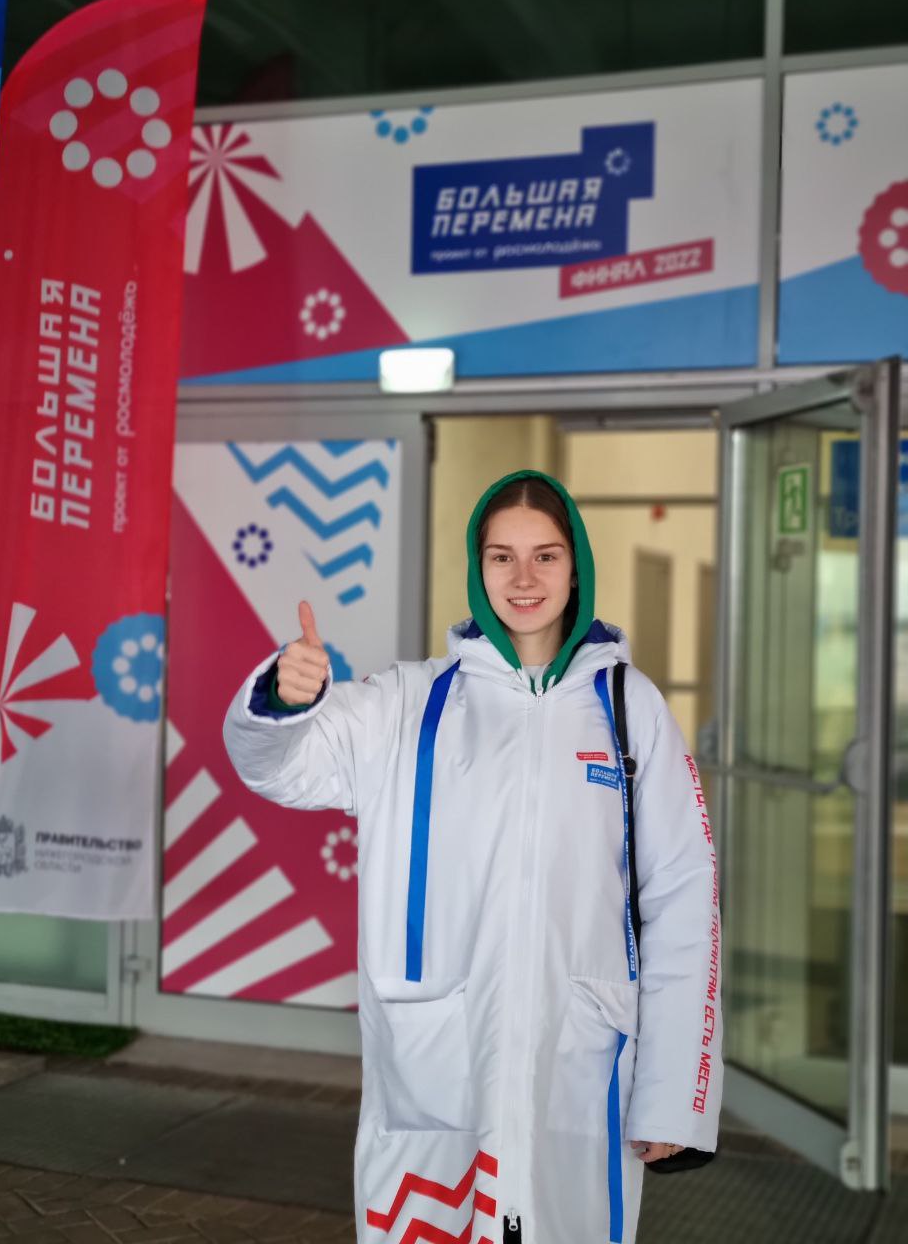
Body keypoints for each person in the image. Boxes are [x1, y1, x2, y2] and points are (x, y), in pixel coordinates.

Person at [223, 469, 722, 1244]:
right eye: (501, 557)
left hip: (578, 1059)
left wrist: (671, 1096)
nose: (524, 578)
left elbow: (683, 895)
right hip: (439, 1058)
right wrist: (285, 702)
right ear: (476, 568)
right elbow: (278, 768)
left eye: (545, 556)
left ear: (576, 568)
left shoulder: (630, 709)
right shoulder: (408, 703)